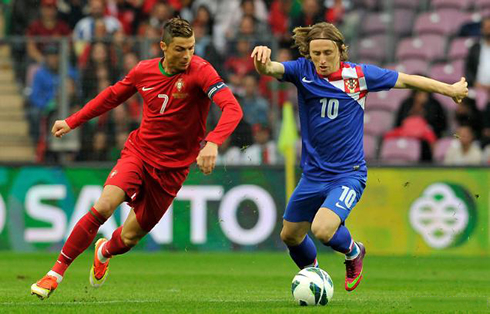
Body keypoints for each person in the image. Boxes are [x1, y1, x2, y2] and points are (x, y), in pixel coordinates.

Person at [31, 17, 243, 300]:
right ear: (163, 47)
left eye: (191, 48)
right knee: (104, 205)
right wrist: (72, 121)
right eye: (180, 49)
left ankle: (104, 251)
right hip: (139, 154)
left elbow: (232, 108)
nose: (187, 55)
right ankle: (55, 273)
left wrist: (213, 142)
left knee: (128, 238)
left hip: (172, 171)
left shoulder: (201, 71)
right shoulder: (144, 71)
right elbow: (111, 97)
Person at [251, 22, 468, 292]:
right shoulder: (302, 71)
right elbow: (271, 68)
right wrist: (262, 62)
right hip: (313, 175)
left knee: (322, 229)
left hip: (347, 174)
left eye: (327, 53)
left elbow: (407, 80)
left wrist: (451, 90)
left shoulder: (359, 76)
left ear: (341, 51)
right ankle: (313, 276)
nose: (321, 59)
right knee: (290, 235)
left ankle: (354, 252)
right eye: (315, 53)